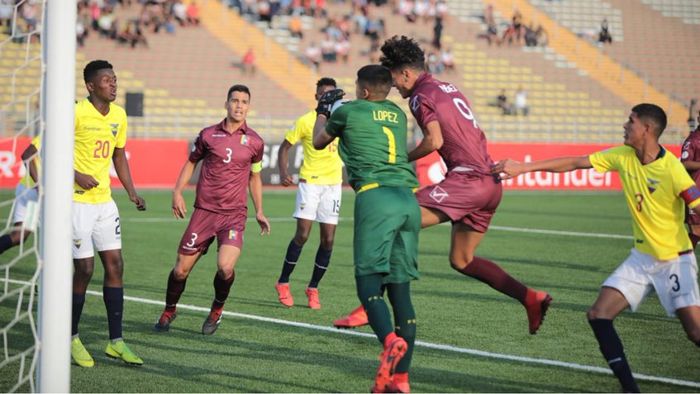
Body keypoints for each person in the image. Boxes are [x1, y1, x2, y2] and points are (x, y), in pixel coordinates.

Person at [334, 36, 552, 345]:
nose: (395, 87)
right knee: (462, 259)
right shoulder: (448, 88)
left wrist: (399, 158)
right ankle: (530, 297)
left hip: (468, 181)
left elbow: (434, 140)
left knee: (396, 217)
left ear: (405, 74)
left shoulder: (420, 96)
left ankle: (370, 304)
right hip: (490, 183)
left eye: (395, 80)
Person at [493, 103, 700, 393]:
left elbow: (697, 202)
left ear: (647, 129)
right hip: (641, 259)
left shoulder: (672, 169)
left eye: (631, 121)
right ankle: (630, 389)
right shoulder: (622, 156)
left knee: (694, 332)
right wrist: (524, 168)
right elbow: (576, 163)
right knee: (598, 314)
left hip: (675, 260)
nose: (625, 126)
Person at [313, 65, 420, 393]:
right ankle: (400, 380)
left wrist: (323, 109)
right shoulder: (399, 115)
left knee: (368, 283)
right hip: (408, 199)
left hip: (376, 197)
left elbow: (319, 142)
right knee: (400, 290)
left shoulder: (350, 110)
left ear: (362, 90)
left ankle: (389, 341)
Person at [154, 84, 270, 336]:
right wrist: (177, 192)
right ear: (226, 103)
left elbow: (255, 178)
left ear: (249, 106)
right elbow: (191, 162)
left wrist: (259, 210)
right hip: (204, 212)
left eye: (244, 101)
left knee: (225, 268)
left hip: (234, 215)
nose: (239, 105)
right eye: (235, 100)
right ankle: (169, 309)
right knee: (180, 270)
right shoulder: (208, 135)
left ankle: (217, 310)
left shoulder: (255, 142)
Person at [71, 60, 147, 368]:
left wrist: (131, 191)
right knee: (85, 270)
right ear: (91, 86)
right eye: (107, 80)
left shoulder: (119, 115)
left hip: (105, 202)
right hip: (75, 202)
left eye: (114, 79)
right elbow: (51, 151)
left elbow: (118, 155)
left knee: (115, 265)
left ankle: (115, 341)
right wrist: (76, 174)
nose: (113, 84)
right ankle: (71, 337)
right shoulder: (75, 112)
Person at [275, 77, 343, 309]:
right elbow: (285, 147)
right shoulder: (306, 121)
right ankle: (283, 282)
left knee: (329, 240)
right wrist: (284, 172)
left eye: (332, 94)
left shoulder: (342, 120)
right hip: (310, 183)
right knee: (303, 234)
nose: (328, 98)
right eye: (324, 94)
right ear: (317, 97)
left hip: (333, 185)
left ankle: (313, 288)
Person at [0, 136, 40, 255]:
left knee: (19, 236)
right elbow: (26, 154)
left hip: (30, 193)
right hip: (35, 191)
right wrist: (40, 184)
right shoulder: (53, 134)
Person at [681, 106, 700, 248]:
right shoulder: (693, 140)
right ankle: (680, 263)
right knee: (696, 231)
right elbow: (685, 163)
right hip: (695, 192)